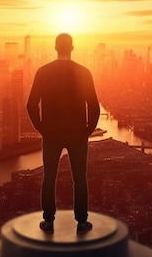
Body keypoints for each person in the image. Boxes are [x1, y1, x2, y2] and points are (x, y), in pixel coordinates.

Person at [26, 33, 100, 235]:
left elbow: (31, 105)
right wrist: (87, 130)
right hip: (77, 134)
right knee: (80, 179)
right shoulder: (83, 72)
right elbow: (94, 107)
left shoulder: (43, 72)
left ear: (55, 47)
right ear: (72, 47)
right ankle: (82, 222)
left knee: (49, 177)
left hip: (51, 134)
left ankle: (48, 222)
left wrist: (42, 129)